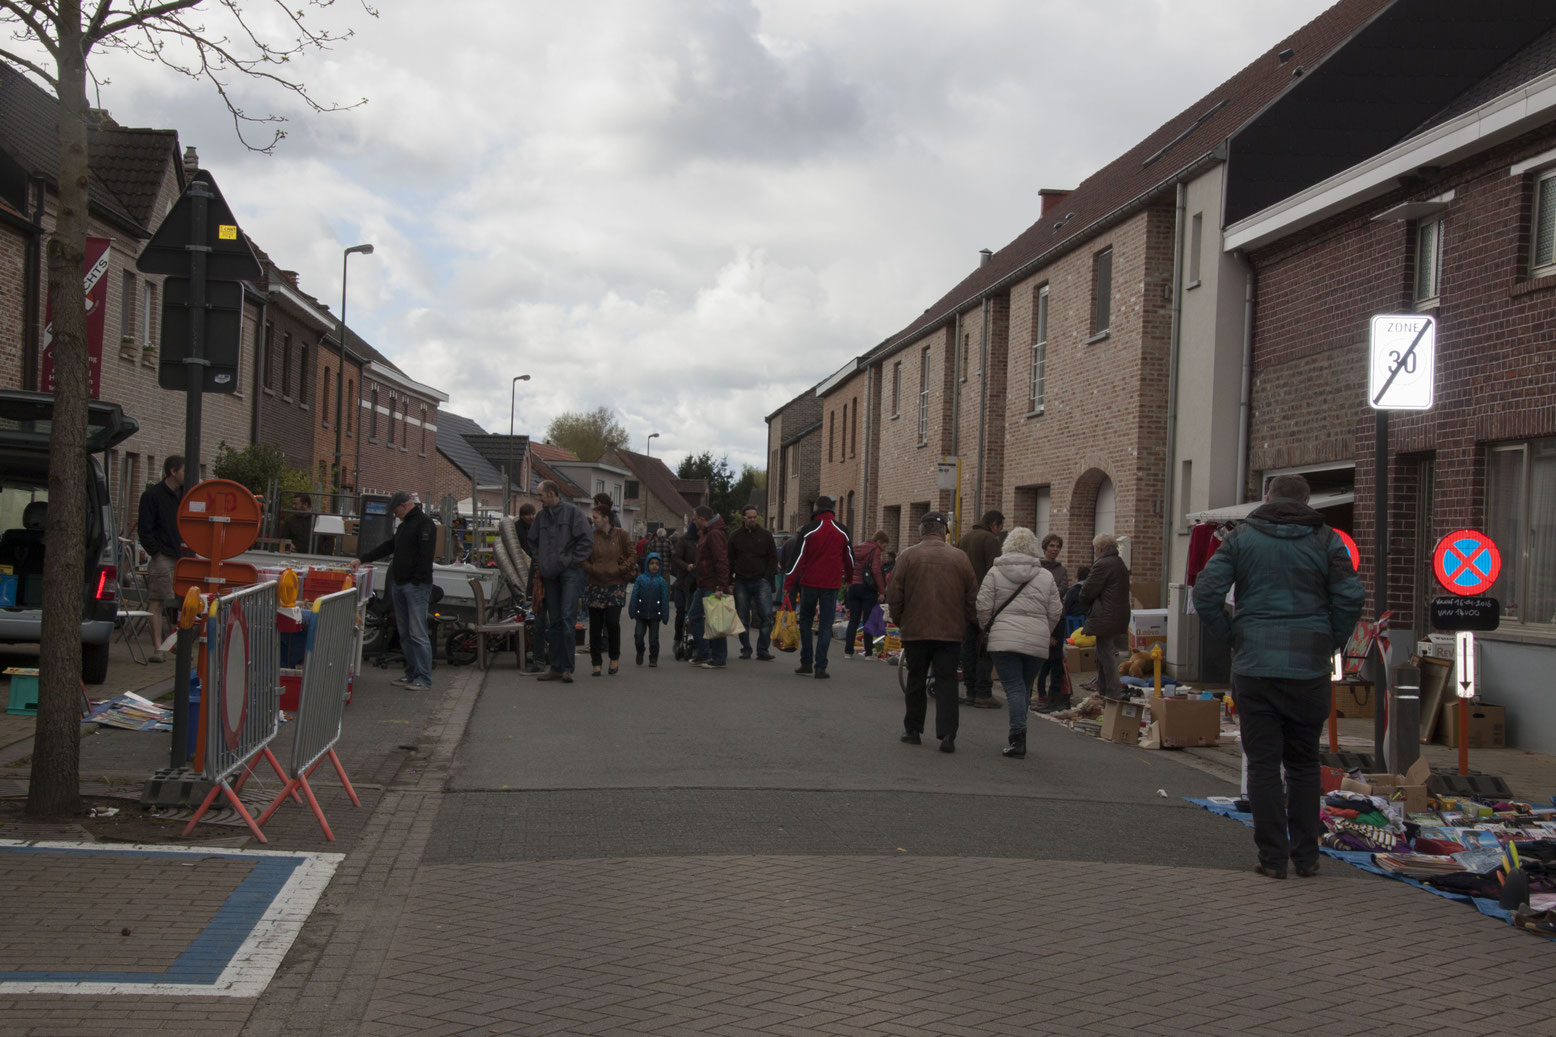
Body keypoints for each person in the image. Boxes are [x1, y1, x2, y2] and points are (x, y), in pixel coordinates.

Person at [1193, 473, 1364, 881]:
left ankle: (1272, 858)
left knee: (1264, 765)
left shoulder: (1240, 539)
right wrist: (1330, 640)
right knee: (1304, 763)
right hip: (1309, 667)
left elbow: (1205, 593)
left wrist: (1232, 636)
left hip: (1254, 666)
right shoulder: (1327, 540)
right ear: (1307, 501)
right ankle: (1307, 856)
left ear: (1267, 496)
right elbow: (1351, 596)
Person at [886, 511, 977, 753]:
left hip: (916, 630)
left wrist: (901, 620)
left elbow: (894, 594)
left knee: (916, 678)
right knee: (947, 681)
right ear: (944, 531)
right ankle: (947, 734)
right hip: (950, 631)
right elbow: (972, 596)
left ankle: (913, 730)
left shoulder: (908, 556)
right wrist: (963, 621)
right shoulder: (960, 558)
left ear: (921, 530)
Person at [976, 527, 1063, 759]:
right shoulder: (1045, 575)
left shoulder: (995, 572)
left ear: (1008, 545)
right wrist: (1044, 630)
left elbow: (983, 606)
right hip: (1037, 640)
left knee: (1014, 687)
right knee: (1024, 686)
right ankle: (1019, 734)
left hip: (1003, 640)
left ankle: (1017, 738)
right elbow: (1056, 610)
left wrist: (989, 627)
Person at [351, 490, 437, 689]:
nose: (395, 515)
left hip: (414, 586)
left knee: (417, 633)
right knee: (405, 633)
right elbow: (390, 546)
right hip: (401, 584)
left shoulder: (424, 524)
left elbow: (425, 556)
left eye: (395, 510)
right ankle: (412, 673)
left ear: (404, 505)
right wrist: (363, 558)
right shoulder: (405, 525)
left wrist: (415, 580)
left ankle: (423, 678)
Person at [524, 479, 594, 682]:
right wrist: (541, 560)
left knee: (567, 617)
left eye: (541, 494)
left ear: (551, 493)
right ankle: (555, 667)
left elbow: (587, 541)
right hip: (549, 574)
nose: (539, 498)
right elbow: (532, 540)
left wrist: (571, 560)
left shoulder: (572, 513)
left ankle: (567, 668)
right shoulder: (541, 517)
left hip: (570, 572)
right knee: (554, 620)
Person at [783, 495, 854, 679]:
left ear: (816, 508)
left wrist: (788, 583)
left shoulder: (808, 530)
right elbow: (849, 559)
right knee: (826, 624)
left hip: (809, 583)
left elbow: (797, 559)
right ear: (832, 509)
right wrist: (849, 578)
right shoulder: (842, 530)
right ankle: (821, 666)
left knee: (806, 621)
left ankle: (806, 661)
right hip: (831, 584)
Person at [136, 455, 185, 663]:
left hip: (185, 556)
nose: (189, 475)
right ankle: (158, 648)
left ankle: (176, 643)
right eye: (185, 471)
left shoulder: (187, 495)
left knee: (190, 603)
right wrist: (156, 552)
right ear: (173, 471)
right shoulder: (152, 496)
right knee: (157, 600)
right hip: (163, 555)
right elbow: (144, 528)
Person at [582, 500, 636, 676]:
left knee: (613, 623)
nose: (593, 520)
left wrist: (620, 569)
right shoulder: (590, 536)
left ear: (606, 518)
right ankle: (596, 662)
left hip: (615, 584)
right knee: (595, 626)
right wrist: (592, 569)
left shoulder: (621, 535)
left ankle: (614, 658)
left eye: (596, 517)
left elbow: (632, 555)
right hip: (595, 585)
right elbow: (582, 558)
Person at [957, 509, 1004, 707]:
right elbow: (995, 572)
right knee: (984, 648)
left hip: (965, 602)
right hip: (984, 602)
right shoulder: (990, 540)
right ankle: (983, 693)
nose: (999, 533)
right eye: (999, 528)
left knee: (968, 647)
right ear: (994, 525)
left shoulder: (965, 539)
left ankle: (970, 691)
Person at [1078, 532, 1131, 700]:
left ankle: (1113, 693)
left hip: (1105, 616)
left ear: (1100, 548)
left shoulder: (1102, 564)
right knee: (1102, 654)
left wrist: (1084, 599)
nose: (1094, 551)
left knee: (1106, 654)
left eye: (1095, 548)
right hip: (1119, 614)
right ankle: (1102, 691)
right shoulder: (1119, 563)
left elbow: (1087, 592)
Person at [728, 506, 779, 660]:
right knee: (742, 617)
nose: (752, 520)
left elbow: (773, 558)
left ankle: (763, 649)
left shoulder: (766, 535)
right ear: (743, 518)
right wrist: (730, 581)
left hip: (761, 580)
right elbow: (730, 560)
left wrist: (767, 577)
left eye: (754, 517)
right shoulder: (735, 537)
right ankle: (746, 648)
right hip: (741, 581)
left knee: (766, 615)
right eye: (749, 517)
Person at [689, 505, 731, 669]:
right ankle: (703, 653)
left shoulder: (714, 534)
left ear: (702, 518)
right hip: (704, 583)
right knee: (695, 616)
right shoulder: (708, 533)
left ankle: (718, 657)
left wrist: (720, 586)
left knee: (715, 620)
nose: (693, 522)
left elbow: (721, 560)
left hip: (712, 584)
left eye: (694, 519)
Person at [1034, 533, 1070, 708]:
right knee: (1040, 657)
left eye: (1058, 546)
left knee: (1056, 659)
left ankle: (1054, 695)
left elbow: (1062, 589)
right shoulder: (1037, 568)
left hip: (1058, 616)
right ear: (1045, 547)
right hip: (1040, 615)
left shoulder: (1062, 570)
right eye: (1052, 546)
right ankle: (1039, 692)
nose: (1055, 549)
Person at [844, 530, 889, 659]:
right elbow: (876, 571)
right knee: (868, 621)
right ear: (879, 541)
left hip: (854, 587)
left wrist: (848, 581)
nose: (884, 549)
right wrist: (881, 590)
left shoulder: (858, 548)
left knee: (853, 620)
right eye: (884, 545)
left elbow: (848, 564)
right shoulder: (875, 550)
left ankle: (848, 651)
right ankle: (868, 653)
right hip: (867, 589)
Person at [628, 551, 670, 666]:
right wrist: (632, 610)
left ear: (660, 566)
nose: (654, 566)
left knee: (653, 639)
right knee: (638, 636)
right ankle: (640, 651)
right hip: (641, 613)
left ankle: (653, 658)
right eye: (652, 563)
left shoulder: (661, 581)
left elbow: (664, 599)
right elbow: (634, 595)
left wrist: (665, 615)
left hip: (655, 614)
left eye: (657, 563)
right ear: (647, 564)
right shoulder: (640, 579)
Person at [670, 519, 698, 660]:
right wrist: (686, 566)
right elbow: (676, 558)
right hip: (682, 582)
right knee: (681, 611)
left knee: (695, 614)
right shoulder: (683, 540)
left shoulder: (705, 539)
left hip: (697, 583)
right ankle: (677, 639)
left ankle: (695, 641)